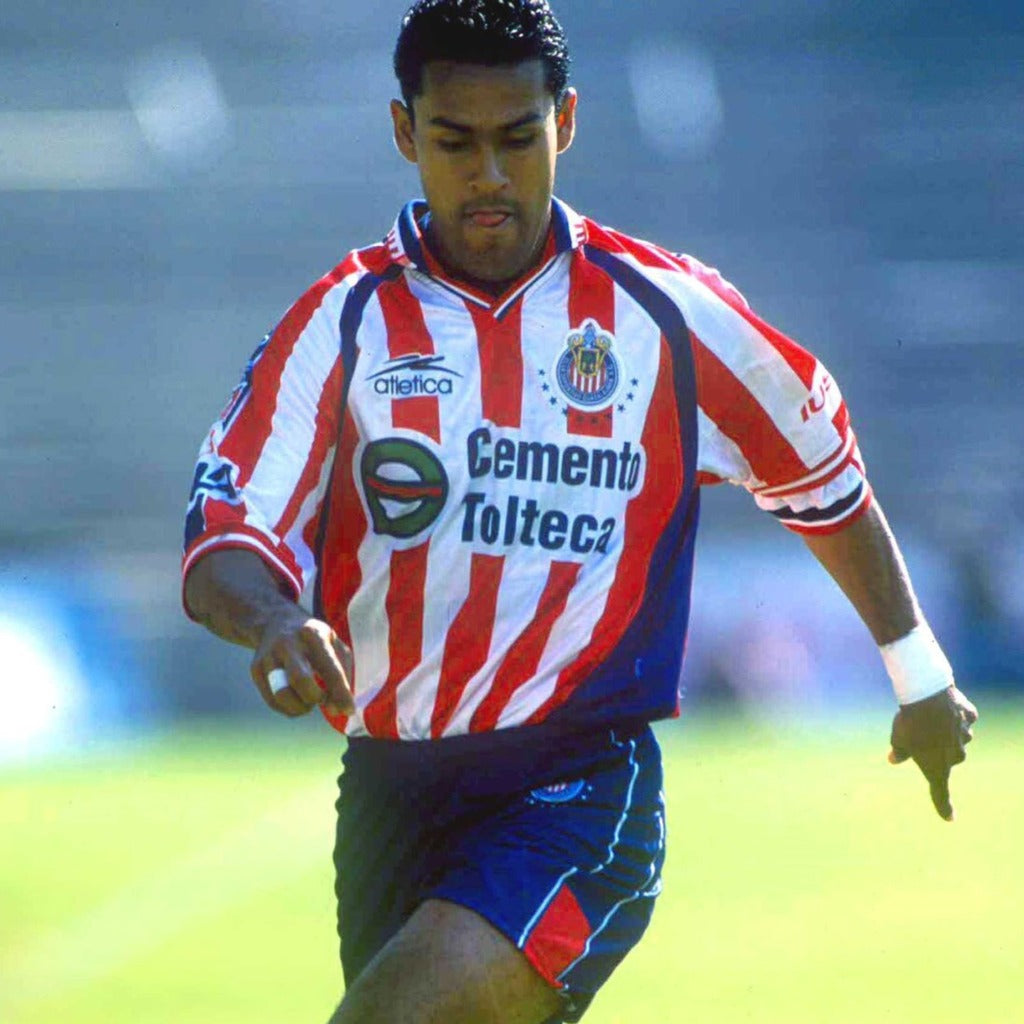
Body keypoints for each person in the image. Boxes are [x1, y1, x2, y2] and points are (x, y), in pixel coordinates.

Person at [181, 2, 978, 1021]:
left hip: (578, 792)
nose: (489, 176)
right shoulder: (343, 322)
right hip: (389, 790)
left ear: (564, 121)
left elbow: (821, 471)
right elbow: (224, 532)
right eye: (454, 142)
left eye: (517, 138)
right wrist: (273, 620)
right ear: (403, 132)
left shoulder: (665, 315)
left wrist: (918, 672)